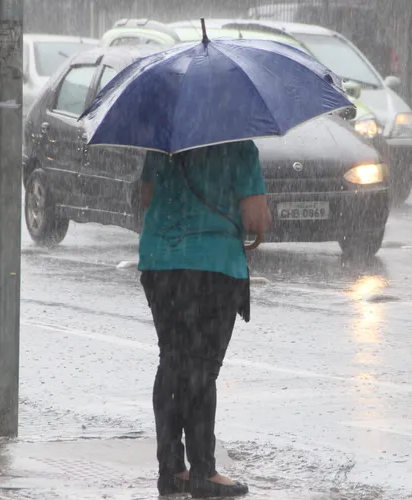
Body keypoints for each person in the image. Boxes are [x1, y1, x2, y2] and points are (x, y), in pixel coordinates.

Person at [137, 139, 271, 498]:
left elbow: (146, 197)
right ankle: (203, 471)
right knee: (202, 368)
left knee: (172, 359)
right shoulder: (238, 146)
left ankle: (171, 469)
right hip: (212, 266)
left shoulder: (162, 143)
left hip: (160, 261)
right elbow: (255, 217)